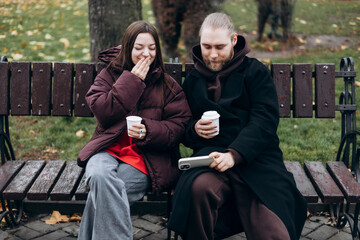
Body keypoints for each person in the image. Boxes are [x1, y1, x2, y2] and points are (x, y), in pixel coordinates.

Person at [168, 12, 307, 240]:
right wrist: (194, 129)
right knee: (197, 189)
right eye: (206, 46)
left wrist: (235, 154)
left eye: (219, 47)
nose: (212, 55)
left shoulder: (255, 72)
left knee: (275, 231)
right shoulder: (193, 80)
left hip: (256, 160)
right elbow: (181, 125)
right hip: (210, 160)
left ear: (234, 40)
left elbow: (264, 122)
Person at [77, 20, 192, 240]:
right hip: (106, 150)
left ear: (157, 50)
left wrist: (148, 130)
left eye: (151, 48)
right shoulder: (109, 76)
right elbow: (103, 112)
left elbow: (179, 126)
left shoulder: (167, 85)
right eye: (139, 48)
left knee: (103, 194)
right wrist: (131, 80)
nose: (145, 54)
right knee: (100, 177)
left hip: (146, 158)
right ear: (128, 48)